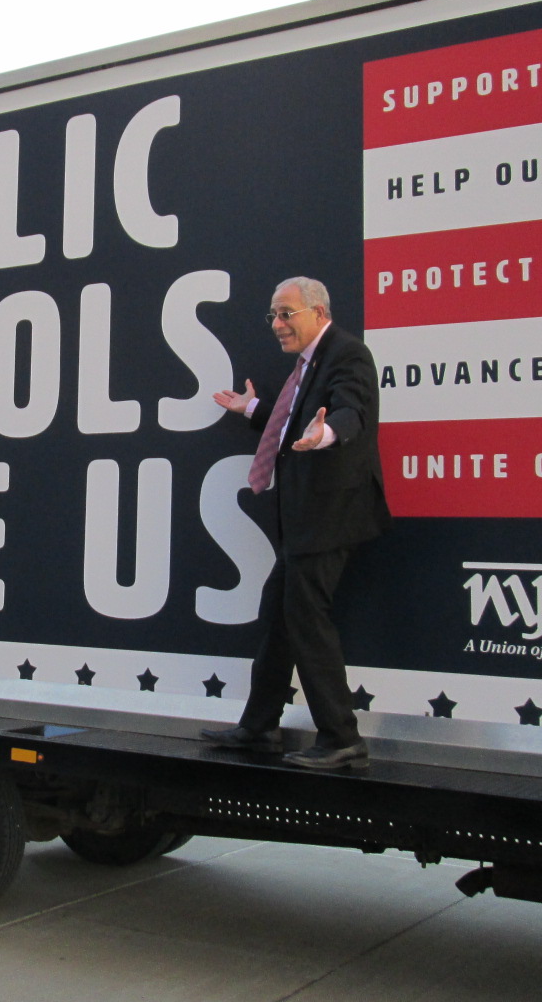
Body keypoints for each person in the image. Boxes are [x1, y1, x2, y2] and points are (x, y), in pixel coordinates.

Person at [202, 277, 390, 770]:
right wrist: (254, 410)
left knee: (305, 617)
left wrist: (327, 433)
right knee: (279, 617)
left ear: (318, 312)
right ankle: (259, 727)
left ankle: (341, 737)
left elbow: (352, 412)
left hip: (331, 515)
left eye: (286, 314)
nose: (277, 325)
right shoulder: (308, 364)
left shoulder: (347, 354)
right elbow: (292, 422)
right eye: (273, 316)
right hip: (305, 517)